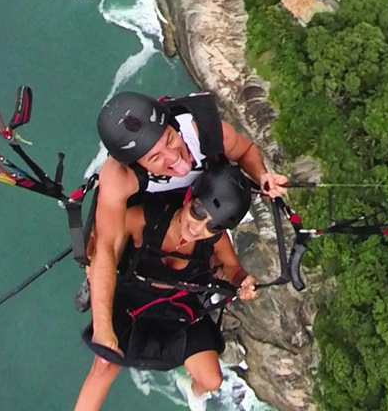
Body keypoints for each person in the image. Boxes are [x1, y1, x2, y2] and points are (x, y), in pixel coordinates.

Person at [88, 91, 287, 357]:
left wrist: (262, 176)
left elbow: (245, 150)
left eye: (170, 139)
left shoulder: (205, 133)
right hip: (155, 208)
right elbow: (107, 248)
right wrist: (102, 328)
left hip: (199, 202)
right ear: (136, 164)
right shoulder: (119, 177)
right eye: (155, 158)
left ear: (172, 125)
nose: (174, 158)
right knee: (97, 253)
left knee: (204, 254)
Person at [74, 164, 260, 411]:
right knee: (105, 364)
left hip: (179, 309)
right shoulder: (145, 220)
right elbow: (105, 246)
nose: (198, 227)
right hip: (133, 303)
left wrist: (243, 281)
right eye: (197, 211)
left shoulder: (215, 241)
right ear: (188, 197)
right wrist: (92, 261)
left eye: (212, 226)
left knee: (212, 380)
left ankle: (193, 392)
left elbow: (233, 270)